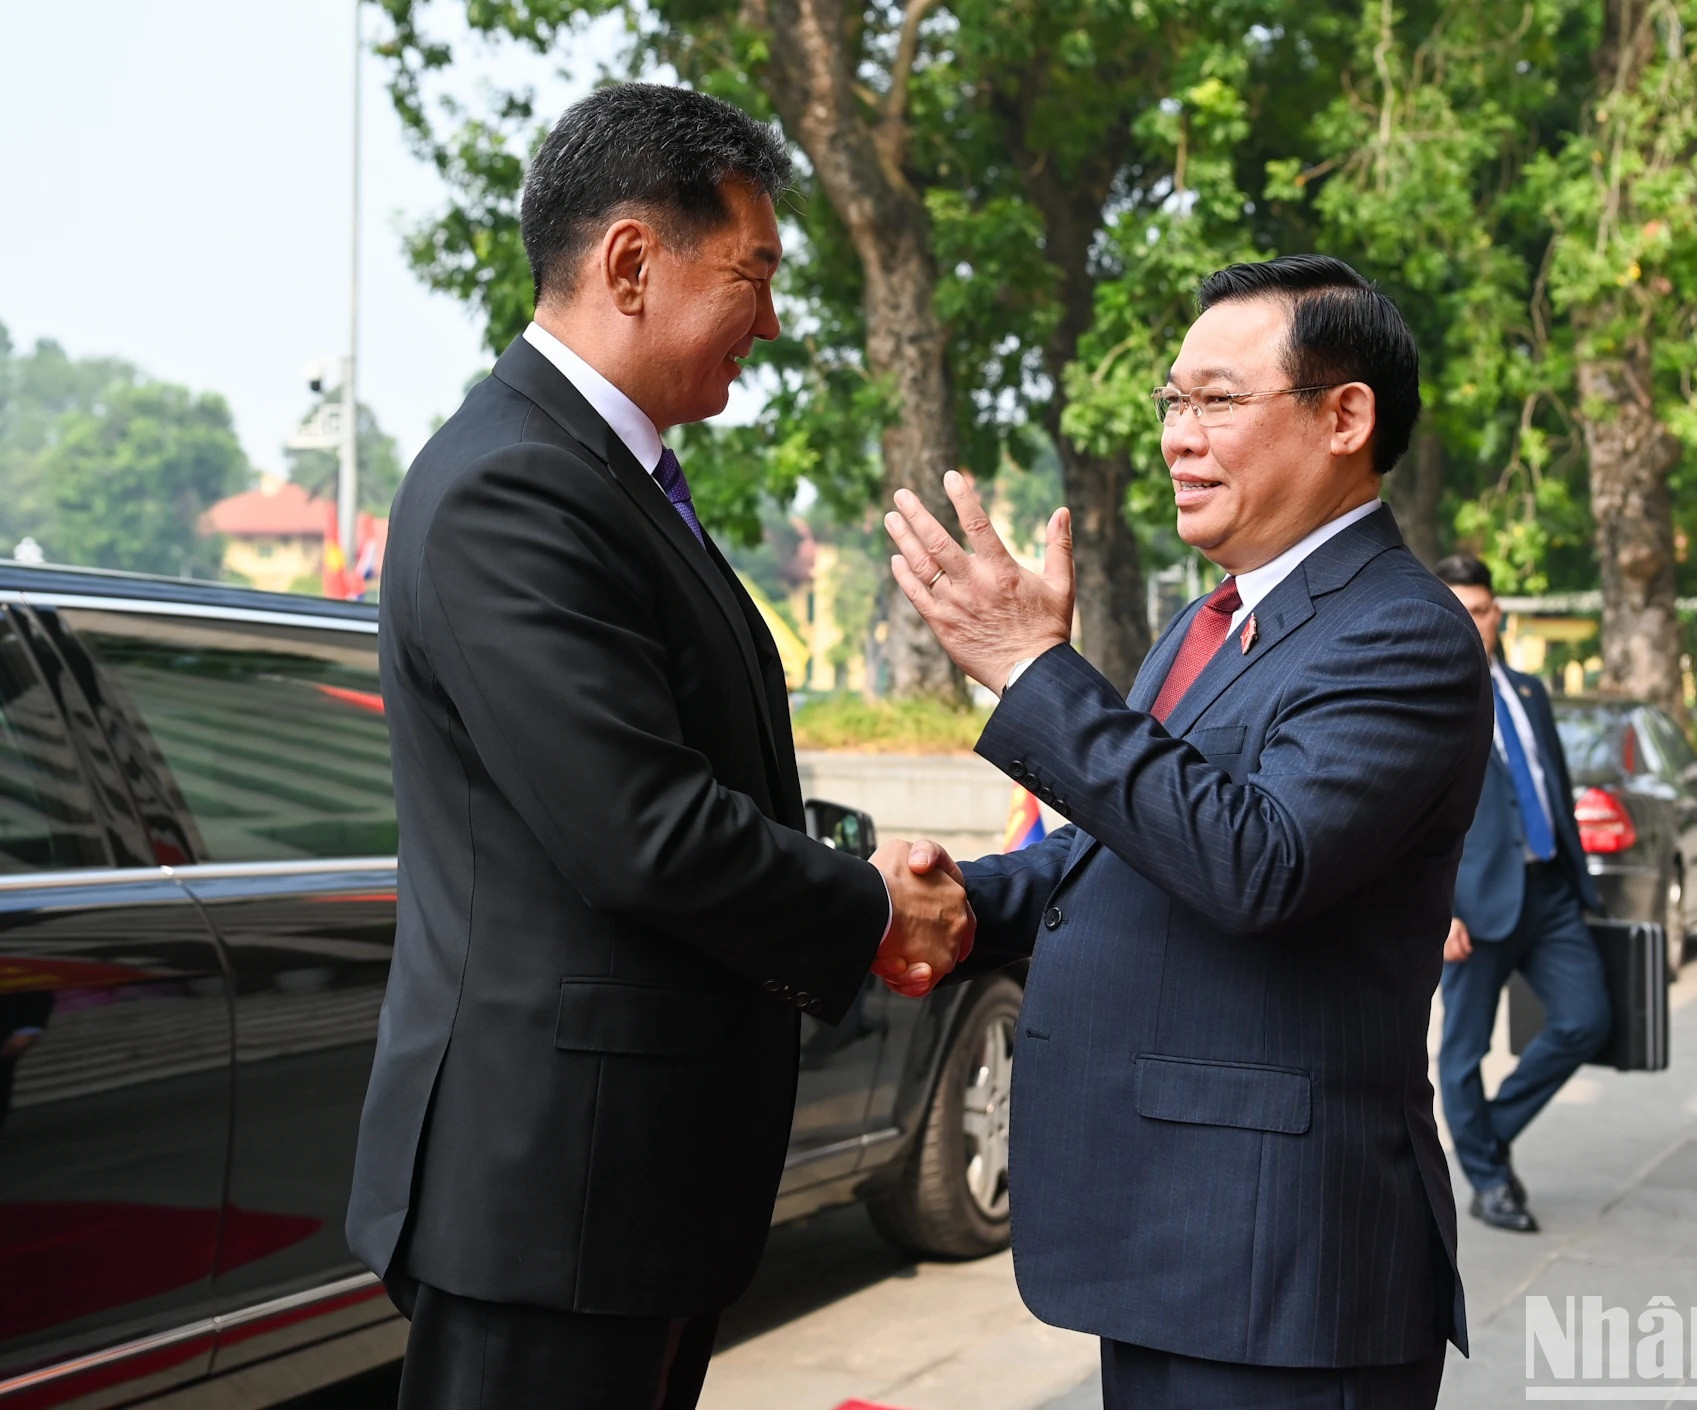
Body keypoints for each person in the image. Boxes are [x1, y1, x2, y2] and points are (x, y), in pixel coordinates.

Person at [345, 83, 973, 1410]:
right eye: (753, 273)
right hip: (551, 1192)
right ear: (633, 262)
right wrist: (869, 907)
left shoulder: (606, 477)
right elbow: (642, 827)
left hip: (624, 1189)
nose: (774, 320)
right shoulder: (512, 486)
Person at [881, 255, 1492, 1410]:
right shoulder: (1212, 617)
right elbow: (1132, 846)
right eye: (1173, 402)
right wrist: (960, 897)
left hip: (1283, 1267)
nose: (1178, 438)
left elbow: (1259, 862)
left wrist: (1031, 673)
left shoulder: (1400, 634)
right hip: (1170, 1239)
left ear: (1344, 416)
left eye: (1217, 400)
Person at [1430, 553, 1610, 1234]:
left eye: (1479, 610)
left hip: (1550, 891)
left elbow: (1552, 787)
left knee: (1586, 1020)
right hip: (1471, 907)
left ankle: (1484, 1136)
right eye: (1457, 610)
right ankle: (1489, 1181)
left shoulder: (1530, 691)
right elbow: (1408, 812)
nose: (1471, 623)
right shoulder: (1428, 694)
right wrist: (1435, 906)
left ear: (1497, 612)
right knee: (1464, 1051)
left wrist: (1580, 878)